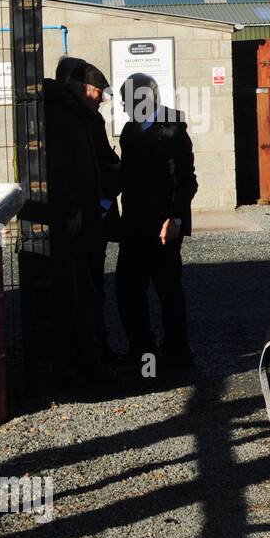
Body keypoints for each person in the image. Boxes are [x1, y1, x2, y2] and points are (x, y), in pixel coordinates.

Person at [43, 57, 120, 391]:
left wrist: (103, 200)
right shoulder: (64, 118)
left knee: (89, 293)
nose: (100, 97)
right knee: (76, 297)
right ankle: (81, 367)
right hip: (74, 225)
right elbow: (66, 173)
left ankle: (90, 359)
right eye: (95, 90)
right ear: (77, 87)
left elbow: (102, 163)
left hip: (86, 221)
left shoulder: (81, 117)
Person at [115, 73, 199, 375]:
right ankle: (142, 348)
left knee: (168, 289)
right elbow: (126, 174)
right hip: (134, 223)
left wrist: (174, 218)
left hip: (164, 226)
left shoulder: (174, 130)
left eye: (127, 100)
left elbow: (186, 180)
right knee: (127, 287)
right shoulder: (128, 131)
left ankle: (178, 351)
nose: (123, 106)